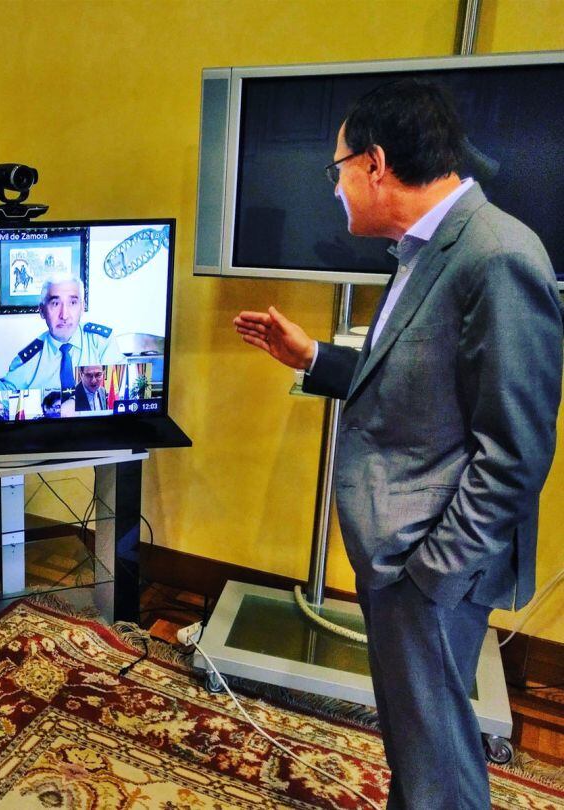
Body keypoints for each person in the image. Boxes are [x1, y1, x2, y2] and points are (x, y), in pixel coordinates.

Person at [234, 79, 563, 809]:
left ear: (375, 164)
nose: (336, 190)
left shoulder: (498, 256)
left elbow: (516, 452)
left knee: (439, 764)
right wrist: (315, 358)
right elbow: (412, 380)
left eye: (337, 169)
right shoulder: (423, 248)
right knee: (420, 748)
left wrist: (431, 575)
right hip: (403, 556)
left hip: (430, 565)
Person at [0, 274, 122, 391]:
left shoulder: (101, 343)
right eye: (55, 304)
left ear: (82, 308)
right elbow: (0, 397)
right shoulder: (30, 358)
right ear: (42, 311)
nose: (64, 315)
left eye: (72, 303)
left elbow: (120, 390)